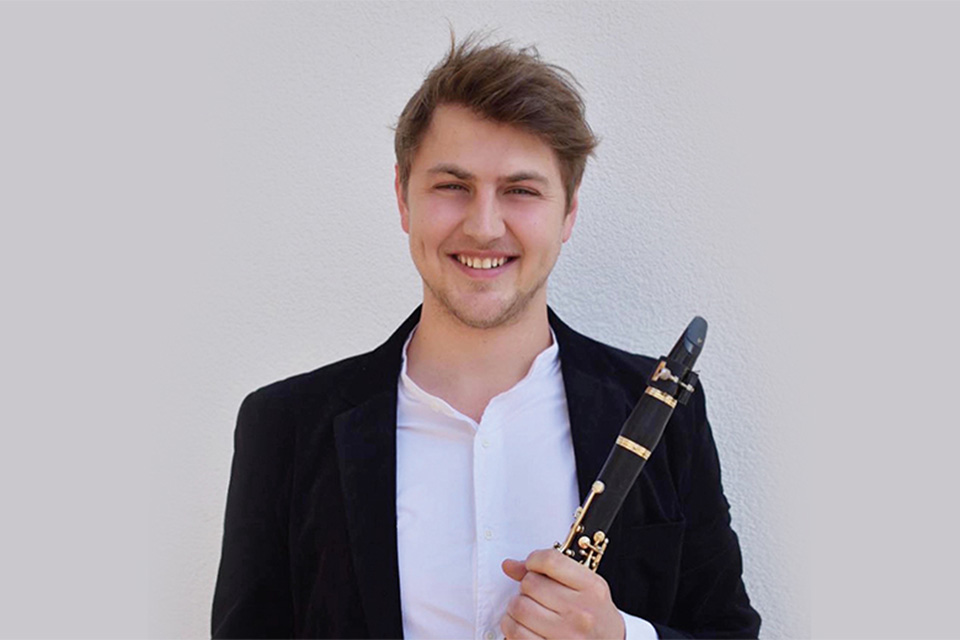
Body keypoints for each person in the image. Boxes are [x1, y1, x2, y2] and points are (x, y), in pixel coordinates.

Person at [212, 35, 760, 640]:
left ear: (569, 211)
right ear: (403, 198)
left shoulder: (661, 411)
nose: (484, 225)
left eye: (521, 191)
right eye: (452, 186)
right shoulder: (285, 426)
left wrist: (623, 637)